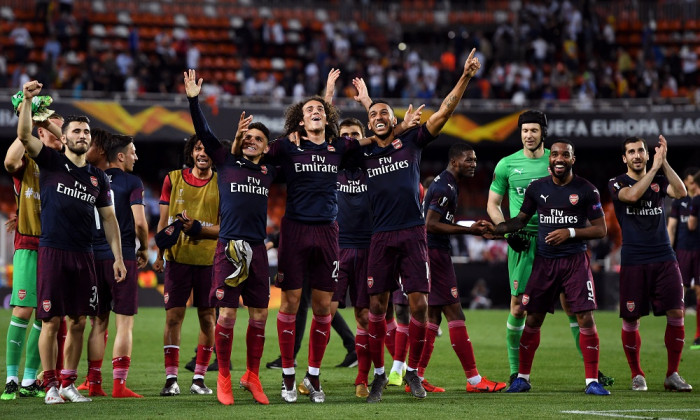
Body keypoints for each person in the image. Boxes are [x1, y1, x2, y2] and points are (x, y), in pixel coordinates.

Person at [359, 48, 481, 403]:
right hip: (380, 235)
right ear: (369, 122)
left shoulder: (410, 141)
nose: (380, 116)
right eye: (374, 114)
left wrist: (466, 76)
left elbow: (444, 110)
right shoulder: (363, 152)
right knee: (377, 308)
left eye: (385, 112)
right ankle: (381, 375)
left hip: (413, 233)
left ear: (393, 118)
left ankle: (412, 372)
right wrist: (375, 109)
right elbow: (334, 141)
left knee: (419, 306)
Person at [17, 80, 126, 405]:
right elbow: (24, 136)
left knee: (78, 321)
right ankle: (49, 385)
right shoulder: (51, 162)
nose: (82, 136)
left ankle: (67, 383)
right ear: (64, 137)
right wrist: (26, 100)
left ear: (90, 141)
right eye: (76, 131)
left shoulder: (98, 177)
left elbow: (109, 219)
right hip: (52, 251)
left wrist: (118, 257)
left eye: (86, 133)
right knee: (50, 321)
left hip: (85, 255)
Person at [486, 109, 613, 386]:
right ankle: (515, 370)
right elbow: (493, 205)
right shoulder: (507, 164)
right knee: (519, 307)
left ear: (543, 133)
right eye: (524, 131)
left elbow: (577, 200)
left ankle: (593, 372)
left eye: (533, 130)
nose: (528, 135)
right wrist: (507, 235)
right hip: (524, 241)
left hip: (564, 244)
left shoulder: (557, 159)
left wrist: (570, 232)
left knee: (574, 307)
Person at [267, 86, 374, 403]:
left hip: (329, 233)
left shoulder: (340, 146)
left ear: (327, 117)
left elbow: (373, 141)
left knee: (323, 308)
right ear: (299, 121)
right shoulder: (286, 147)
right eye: (309, 109)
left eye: (320, 108)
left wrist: (401, 126)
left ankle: (313, 376)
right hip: (295, 231)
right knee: (289, 304)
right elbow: (253, 156)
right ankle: (288, 377)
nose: (316, 111)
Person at [185, 69, 275, 405]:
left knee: (260, 315)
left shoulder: (269, 171)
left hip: (257, 248)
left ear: (266, 149)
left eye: (258, 139)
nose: (252, 140)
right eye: (248, 136)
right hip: (229, 246)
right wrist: (193, 100)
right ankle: (222, 375)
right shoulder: (225, 162)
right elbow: (204, 132)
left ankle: (252, 376)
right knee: (226, 314)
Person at [416, 143, 506, 393]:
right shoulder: (445, 186)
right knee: (455, 313)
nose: (473, 164)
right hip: (435, 253)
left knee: (433, 317)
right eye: (469, 160)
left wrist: (469, 226)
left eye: (475, 160)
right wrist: (469, 231)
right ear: (455, 162)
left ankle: (417, 376)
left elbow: (439, 221)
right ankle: (475, 380)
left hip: (431, 252)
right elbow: (431, 224)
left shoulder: (447, 183)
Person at [609, 135, 692, 392]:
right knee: (632, 318)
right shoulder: (617, 183)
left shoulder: (659, 179)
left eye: (641, 151)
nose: (636, 155)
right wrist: (655, 168)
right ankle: (637, 374)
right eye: (631, 152)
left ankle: (672, 374)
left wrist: (663, 163)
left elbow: (681, 192)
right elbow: (632, 196)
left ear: (647, 154)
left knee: (677, 313)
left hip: (664, 257)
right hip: (634, 259)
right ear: (624, 158)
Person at [81, 133, 149, 398]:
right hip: (123, 257)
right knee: (124, 324)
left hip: (93, 256)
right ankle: (119, 386)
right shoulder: (132, 181)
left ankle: (93, 383)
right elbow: (140, 222)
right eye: (133, 152)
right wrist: (144, 248)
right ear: (120, 156)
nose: (136, 157)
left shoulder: (91, 179)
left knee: (97, 323)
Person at [2, 111, 64, 400]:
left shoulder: (63, 164)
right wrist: (27, 127)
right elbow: (9, 162)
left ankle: (29, 381)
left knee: (46, 314)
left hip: (56, 247)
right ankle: (12, 377)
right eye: (49, 127)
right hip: (29, 244)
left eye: (59, 127)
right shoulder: (27, 163)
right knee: (23, 311)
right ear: (39, 133)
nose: (55, 131)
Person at [154, 134, 220, 397]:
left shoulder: (222, 181)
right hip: (177, 259)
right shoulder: (173, 178)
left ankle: (199, 378)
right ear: (191, 153)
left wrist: (199, 229)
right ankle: (171, 379)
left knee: (207, 318)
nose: (202, 153)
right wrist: (159, 254)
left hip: (209, 260)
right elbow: (162, 223)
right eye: (198, 148)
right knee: (173, 318)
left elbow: (224, 227)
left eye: (207, 149)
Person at [666, 167, 700, 350]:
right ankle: (678, 335)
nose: (693, 185)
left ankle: (698, 335)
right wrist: (669, 250)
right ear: (686, 182)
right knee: (681, 293)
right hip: (683, 250)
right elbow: (671, 228)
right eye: (691, 182)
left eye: (695, 182)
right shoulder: (680, 201)